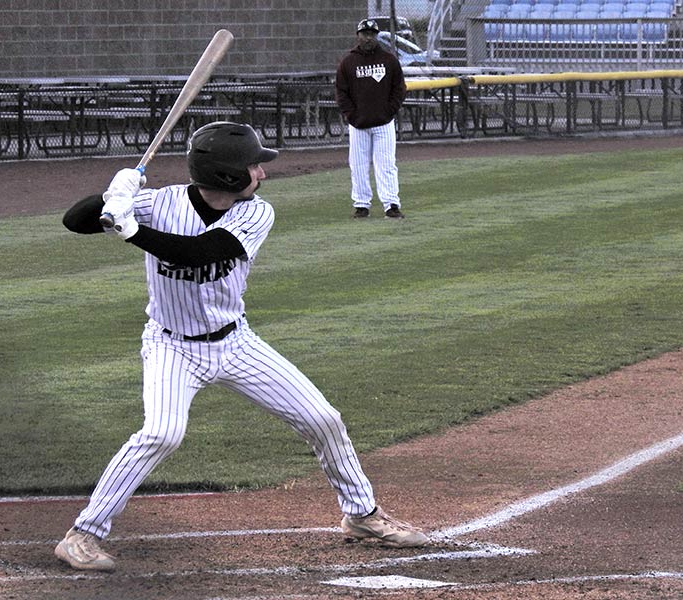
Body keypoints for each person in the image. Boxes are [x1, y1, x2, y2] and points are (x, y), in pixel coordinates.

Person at [54, 121, 429, 572]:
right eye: (254, 166)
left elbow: (201, 252)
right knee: (162, 434)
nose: (262, 173)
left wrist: (132, 231)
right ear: (228, 174)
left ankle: (362, 515)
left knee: (323, 418)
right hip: (172, 347)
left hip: (235, 344)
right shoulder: (161, 202)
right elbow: (74, 220)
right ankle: (83, 534)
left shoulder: (255, 213)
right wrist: (114, 194)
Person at [335, 18, 408, 219]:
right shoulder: (348, 62)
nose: (368, 38)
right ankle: (361, 205)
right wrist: (351, 115)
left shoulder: (389, 60)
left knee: (386, 165)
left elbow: (399, 89)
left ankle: (391, 204)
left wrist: (389, 111)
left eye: (372, 34)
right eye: (364, 34)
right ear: (358, 35)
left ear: (376, 36)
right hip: (358, 125)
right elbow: (341, 92)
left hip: (384, 123)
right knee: (358, 166)